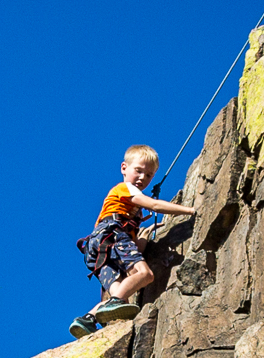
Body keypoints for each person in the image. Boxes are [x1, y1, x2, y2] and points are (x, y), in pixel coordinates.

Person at [70, 145, 196, 338]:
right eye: (138, 170)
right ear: (124, 168)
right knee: (145, 274)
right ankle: (114, 303)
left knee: (120, 290)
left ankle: (87, 319)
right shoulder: (125, 188)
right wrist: (189, 210)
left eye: (149, 175)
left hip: (97, 250)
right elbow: (153, 205)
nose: (142, 178)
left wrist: (143, 237)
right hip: (111, 235)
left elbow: (134, 248)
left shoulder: (128, 216)